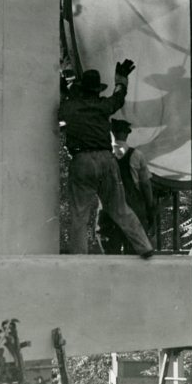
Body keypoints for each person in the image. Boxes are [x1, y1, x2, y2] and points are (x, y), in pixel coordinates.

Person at [59, 60, 153, 258]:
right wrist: (121, 79)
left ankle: (79, 257)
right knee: (120, 208)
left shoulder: (69, 108)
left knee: (80, 213)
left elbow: (64, 100)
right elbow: (119, 97)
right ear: (97, 90)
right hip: (105, 158)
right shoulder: (103, 105)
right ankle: (144, 247)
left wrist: (64, 80)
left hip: (81, 160)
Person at [98, 118, 155, 254]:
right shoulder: (137, 155)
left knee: (110, 251)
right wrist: (149, 207)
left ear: (111, 132)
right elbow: (146, 185)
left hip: (108, 207)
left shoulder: (103, 154)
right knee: (135, 251)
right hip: (133, 207)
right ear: (127, 134)